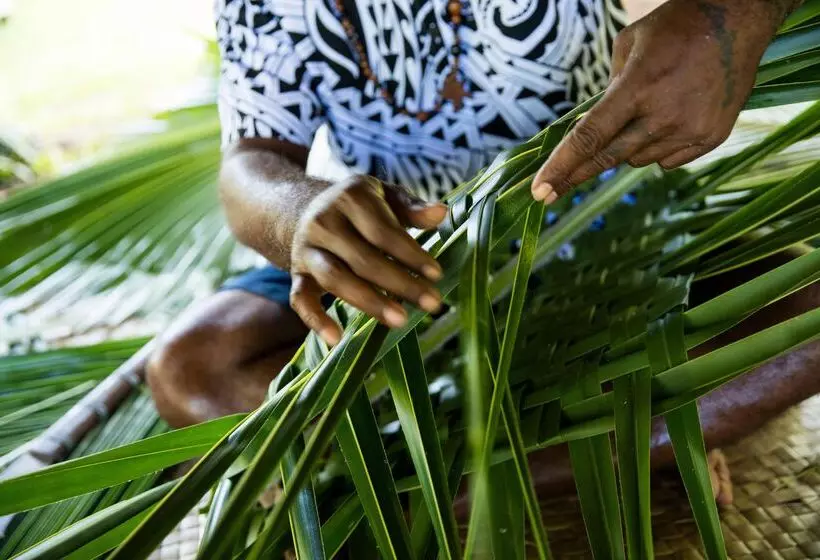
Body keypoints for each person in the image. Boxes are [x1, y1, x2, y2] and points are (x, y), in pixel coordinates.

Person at [147, 0, 811, 504]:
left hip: (612, 241)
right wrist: (296, 212)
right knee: (192, 371)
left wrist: (734, 18)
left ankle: (423, 486)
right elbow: (249, 165)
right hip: (395, 264)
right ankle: (626, 439)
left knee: (808, 304)